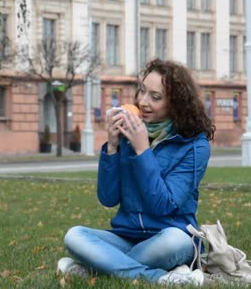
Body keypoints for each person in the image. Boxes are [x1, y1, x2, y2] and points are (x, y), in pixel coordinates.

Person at [58, 59, 215, 285]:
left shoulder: (194, 146)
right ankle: (162, 279)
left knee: (175, 241)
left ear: (176, 103)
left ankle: (94, 267)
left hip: (170, 236)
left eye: (156, 97)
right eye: (142, 91)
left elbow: (165, 204)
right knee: (75, 235)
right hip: (127, 237)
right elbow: (108, 198)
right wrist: (112, 147)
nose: (143, 102)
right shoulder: (127, 133)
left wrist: (142, 149)